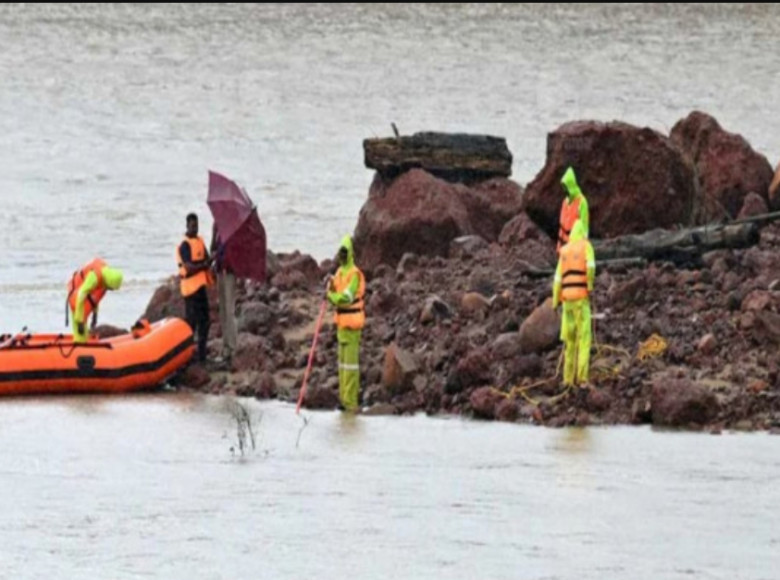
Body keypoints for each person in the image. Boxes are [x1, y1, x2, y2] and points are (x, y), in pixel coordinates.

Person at [552, 219, 595, 387]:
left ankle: (567, 379)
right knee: (584, 337)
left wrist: (555, 302)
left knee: (569, 340)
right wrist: (590, 286)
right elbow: (590, 267)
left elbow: (557, 279)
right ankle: (582, 379)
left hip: (567, 301)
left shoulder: (564, 251)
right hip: (580, 299)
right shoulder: (586, 246)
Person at [326, 235, 365, 412]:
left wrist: (331, 296)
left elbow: (347, 297)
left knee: (350, 367)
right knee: (342, 367)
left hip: (352, 326)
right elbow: (334, 288)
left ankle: (351, 403)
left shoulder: (354, 274)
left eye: (344, 252)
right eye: (340, 252)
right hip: (342, 326)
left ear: (349, 253)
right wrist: (330, 287)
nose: (341, 255)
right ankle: (344, 400)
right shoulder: (340, 273)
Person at [176, 213, 213, 362]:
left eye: (196, 225)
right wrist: (203, 265)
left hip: (200, 288)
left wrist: (210, 261)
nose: (195, 228)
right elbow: (189, 268)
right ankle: (187, 357)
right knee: (191, 325)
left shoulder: (199, 241)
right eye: (192, 226)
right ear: (187, 226)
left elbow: (207, 258)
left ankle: (202, 356)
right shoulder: (184, 245)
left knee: (205, 322)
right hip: (190, 290)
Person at [66, 258, 124, 343]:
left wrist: (95, 315)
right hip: (76, 299)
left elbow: (95, 297)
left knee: (84, 335)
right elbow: (81, 294)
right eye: (111, 288)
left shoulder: (104, 276)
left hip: (82, 300)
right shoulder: (94, 278)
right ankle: (79, 346)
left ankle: (81, 341)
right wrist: (80, 321)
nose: (110, 290)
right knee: (80, 336)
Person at [211, 222, 237, 365]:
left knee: (229, 310)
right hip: (220, 271)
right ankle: (225, 347)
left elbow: (236, 252)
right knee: (222, 310)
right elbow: (213, 249)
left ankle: (232, 348)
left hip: (230, 272)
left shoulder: (234, 228)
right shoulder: (217, 226)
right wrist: (214, 232)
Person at [557, 166, 590, 254]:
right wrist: (559, 246)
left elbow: (584, 227)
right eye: (563, 187)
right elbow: (562, 226)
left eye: (565, 187)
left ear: (570, 185)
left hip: (576, 246)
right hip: (564, 246)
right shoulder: (565, 202)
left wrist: (583, 248)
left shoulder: (582, 201)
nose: (564, 190)